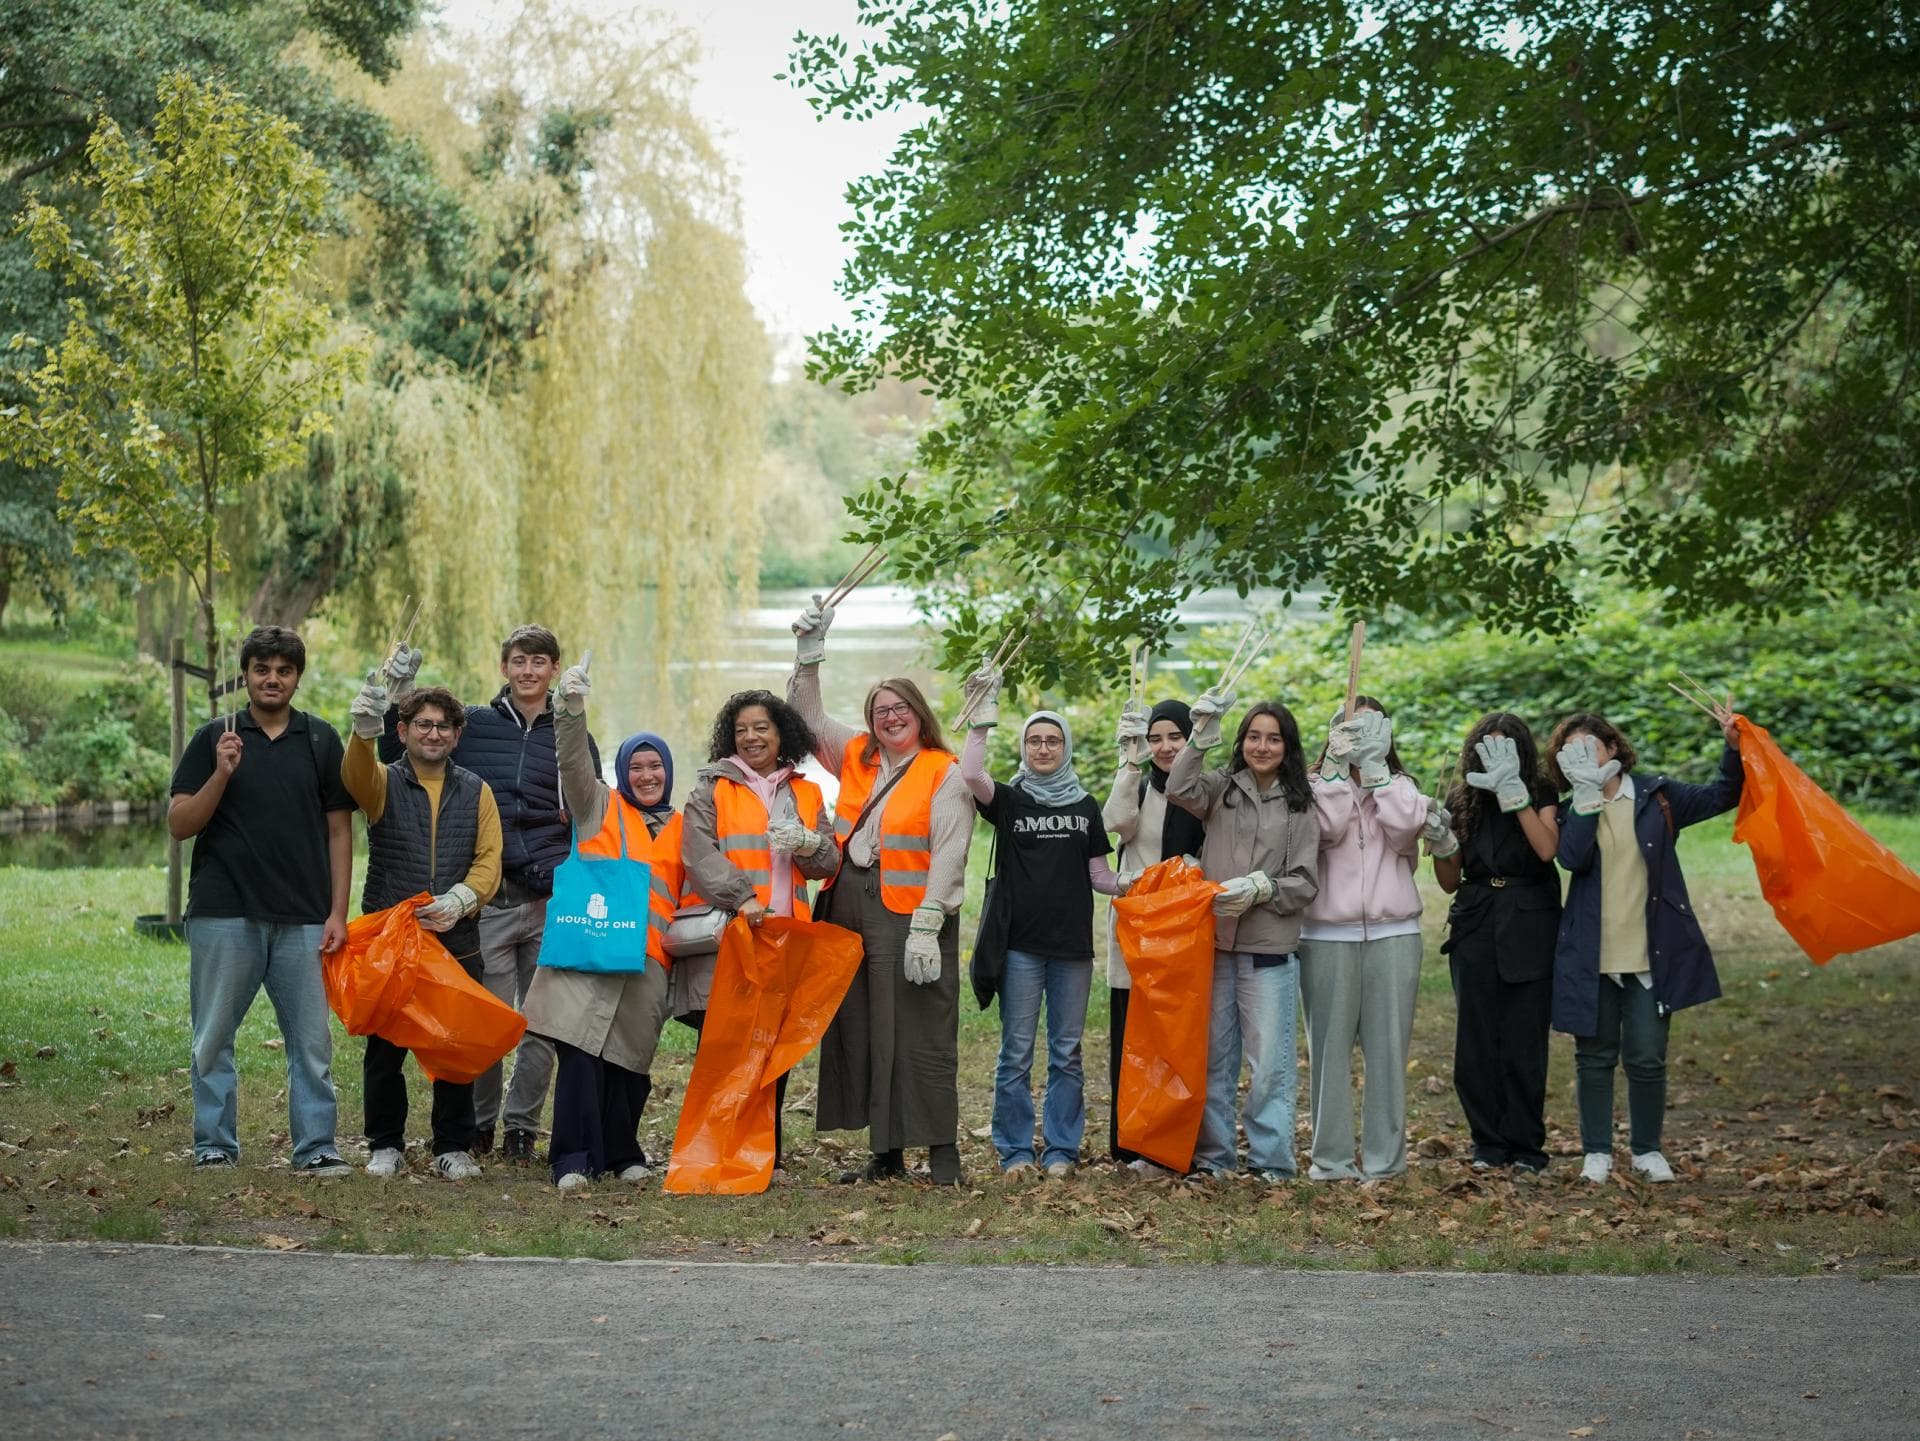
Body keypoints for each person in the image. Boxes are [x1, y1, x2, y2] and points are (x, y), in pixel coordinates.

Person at [382, 624, 600, 1163]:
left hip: (550, 898)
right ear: (504, 668)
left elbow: (592, 802)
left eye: (540, 662)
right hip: (488, 897)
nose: (529, 671)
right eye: (519, 661)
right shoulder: (474, 726)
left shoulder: (571, 729)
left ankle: (521, 1125)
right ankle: (477, 1123)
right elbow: (398, 751)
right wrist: (393, 694)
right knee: (485, 1018)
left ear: (554, 669)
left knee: (545, 1022)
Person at [787, 595, 973, 1186]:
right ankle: (885, 1152)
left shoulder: (945, 770)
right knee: (862, 1025)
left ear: (918, 713)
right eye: (880, 710)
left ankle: (943, 1151)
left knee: (922, 1028)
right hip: (847, 902)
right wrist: (809, 654)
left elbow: (951, 850)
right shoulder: (858, 756)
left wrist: (929, 919)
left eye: (900, 708)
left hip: (911, 915)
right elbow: (806, 718)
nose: (890, 718)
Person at [167, 625, 354, 1177]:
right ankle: (214, 1145)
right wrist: (222, 773)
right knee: (213, 1038)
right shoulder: (213, 738)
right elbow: (181, 825)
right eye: (261, 669)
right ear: (245, 674)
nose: (273, 679)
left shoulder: (320, 740)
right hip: (225, 911)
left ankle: (316, 1146)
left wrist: (338, 912)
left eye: (284, 670)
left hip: (303, 915)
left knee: (312, 1045)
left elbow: (340, 832)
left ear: (297, 676)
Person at [1548, 707, 1744, 1185]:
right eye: (1568, 752)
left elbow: (1724, 794)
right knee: (1593, 1057)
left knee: (1647, 1056)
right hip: (1592, 953)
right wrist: (1586, 799)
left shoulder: (1658, 796)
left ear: (1613, 748)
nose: (1580, 758)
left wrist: (1734, 748)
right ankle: (1596, 1151)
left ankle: (1647, 1149)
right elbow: (1571, 858)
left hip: (1650, 952)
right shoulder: (1572, 803)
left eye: (1588, 748)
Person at [521, 655, 684, 1191]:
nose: (645, 775)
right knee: (580, 1057)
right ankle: (571, 1159)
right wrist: (570, 710)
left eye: (654, 766)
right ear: (622, 772)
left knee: (628, 1067)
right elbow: (571, 765)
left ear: (668, 770)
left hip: (648, 960)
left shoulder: (687, 825)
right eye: (635, 766)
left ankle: (621, 1152)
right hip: (586, 950)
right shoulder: (598, 807)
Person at [960, 671, 1122, 1179]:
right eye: (1035, 740)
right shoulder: (1008, 800)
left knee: (1068, 1052)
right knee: (1015, 1052)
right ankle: (1014, 1150)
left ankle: (1060, 1149)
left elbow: (1100, 876)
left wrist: (1146, 883)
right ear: (1025, 746)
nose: (1044, 748)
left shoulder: (1085, 805)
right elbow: (969, 775)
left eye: (1052, 740)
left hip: (1072, 948)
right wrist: (982, 719)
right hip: (1020, 948)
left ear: (1065, 746)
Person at [342, 681, 502, 1180]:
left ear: (457, 735)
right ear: (403, 731)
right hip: (393, 940)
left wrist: (462, 900)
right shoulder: (383, 783)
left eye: (443, 726)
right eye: (423, 725)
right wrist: (362, 733)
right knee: (385, 1050)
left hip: (456, 941)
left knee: (452, 1046)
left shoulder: (478, 790)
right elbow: (354, 777)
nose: (433, 734)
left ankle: (452, 1145)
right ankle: (385, 1145)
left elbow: (489, 861)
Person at [678, 689, 839, 1176]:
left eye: (761, 728)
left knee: (775, 1049)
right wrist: (743, 897)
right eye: (742, 729)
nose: (751, 737)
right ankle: (717, 1147)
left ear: (781, 733)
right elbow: (699, 855)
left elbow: (827, 862)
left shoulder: (807, 792)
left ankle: (766, 1151)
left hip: (788, 937)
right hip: (731, 934)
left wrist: (810, 842)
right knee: (725, 1044)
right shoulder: (710, 789)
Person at [1166, 690, 1320, 1183]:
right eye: (1254, 736)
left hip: (1268, 955)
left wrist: (1264, 888)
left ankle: (1272, 1161)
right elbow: (1178, 788)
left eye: (1273, 739)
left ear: (1287, 747)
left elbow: (1305, 883)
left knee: (1270, 1065)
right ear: (1242, 741)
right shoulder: (1220, 788)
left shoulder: (1300, 804)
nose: (1262, 746)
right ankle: (1214, 1159)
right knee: (1214, 1060)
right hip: (1214, 947)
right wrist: (1198, 737)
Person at [1297, 697, 1451, 1182]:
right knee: (1328, 1053)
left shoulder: (1402, 787)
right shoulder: (1312, 786)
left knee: (1388, 1052)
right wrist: (1339, 773)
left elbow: (1407, 830)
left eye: (1367, 727)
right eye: (1347, 726)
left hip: (1394, 935)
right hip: (1324, 935)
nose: (1357, 733)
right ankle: (1331, 1161)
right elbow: (1324, 831)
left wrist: (1376, 770)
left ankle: (1386, 1163)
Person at [1431, 714, 1561, 1175]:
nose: (1497, 753)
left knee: (1525, 1040)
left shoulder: (1541, 791)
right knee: (1476, 1040)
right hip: (1476, 920)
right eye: (1489, 746)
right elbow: (1449, 881)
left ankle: (1527, 1146)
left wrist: (1517, 797)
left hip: (1530, 920)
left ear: (1522, 751)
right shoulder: (1462, 798)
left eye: (1507, 746)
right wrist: (1441, 842)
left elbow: (1547, 850)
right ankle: (1486, 1142)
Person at [1101, 698, 1206, 1166]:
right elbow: (1114, 825)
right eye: (1156, 738)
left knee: (1173, 1038)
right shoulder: (1138, 788)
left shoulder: (1205, 791)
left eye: (1175, 737)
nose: (1165, 747)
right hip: (1136, 932)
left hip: (1183, 932)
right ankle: (1129, 1141)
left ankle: (1171, 1142)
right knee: (1129, 1037)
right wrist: (1129, 764)